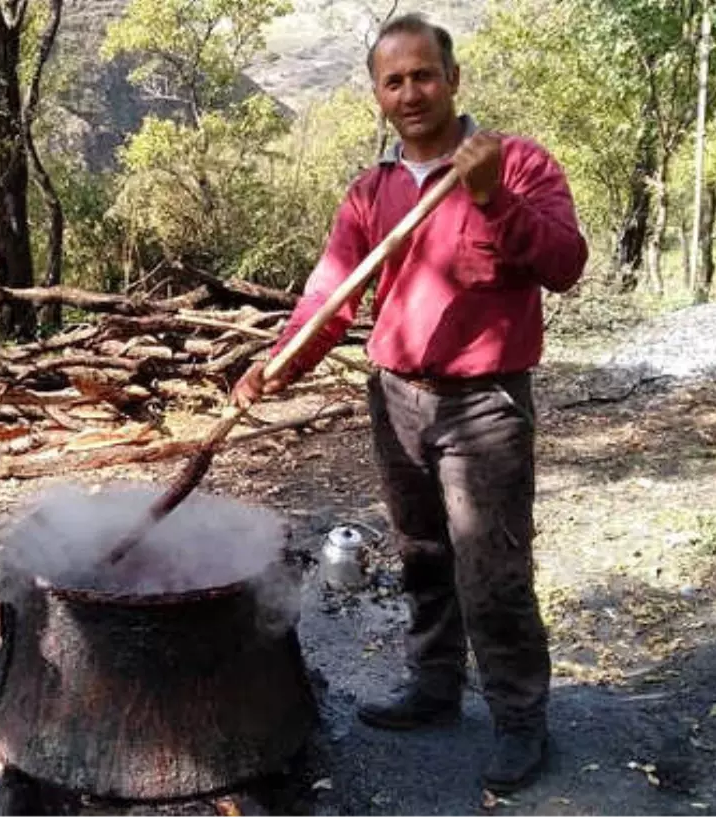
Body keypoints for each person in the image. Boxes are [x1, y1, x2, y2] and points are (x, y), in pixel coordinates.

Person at [230, 13, 587, 794]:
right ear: (378, 96)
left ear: (453, 79)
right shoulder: (372, 190)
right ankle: (434, 687)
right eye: (393, 80)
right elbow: (331, 292)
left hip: (485, 403)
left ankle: (520, 718)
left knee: (492, 571)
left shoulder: (516, 164)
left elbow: (566, 264)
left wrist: (493, 199)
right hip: (396, 397)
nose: (411, 91)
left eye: (424, 74)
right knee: (423, 556)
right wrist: (278, 365)